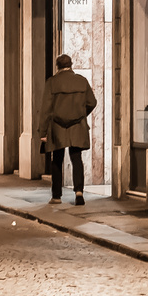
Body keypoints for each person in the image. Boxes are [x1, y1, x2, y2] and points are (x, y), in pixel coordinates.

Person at [35, 54, 96, 205]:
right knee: (77, 159)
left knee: (57, 159)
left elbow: (45, 109)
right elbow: (92, 102)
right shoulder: (81, 81)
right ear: (71, 65)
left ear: (57, 66)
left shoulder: (52, 83)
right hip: (77, 126)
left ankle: (56, 196)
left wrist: (42, 132)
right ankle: (79, 193)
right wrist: (81, 114)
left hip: (57, 126)